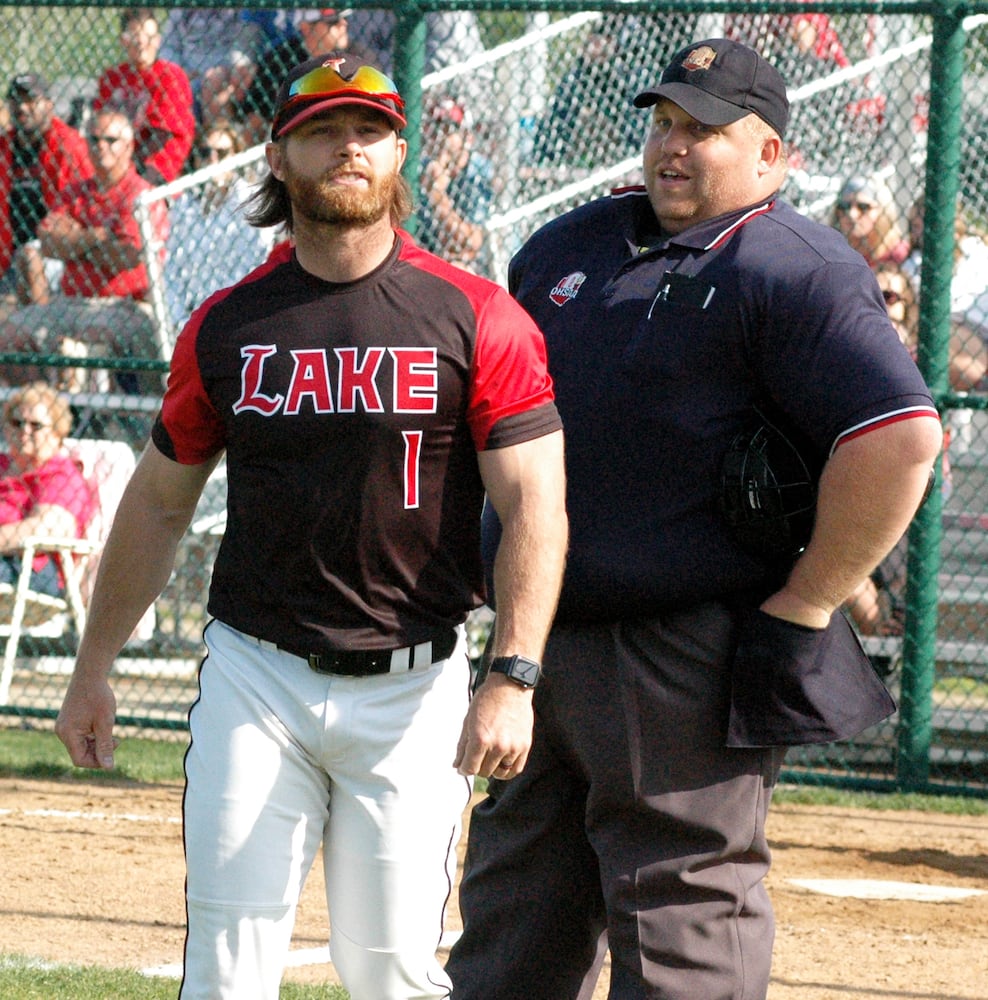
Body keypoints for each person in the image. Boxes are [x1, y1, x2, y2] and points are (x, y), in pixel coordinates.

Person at [54, 55, 567, 1000]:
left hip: (416, 683)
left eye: (369, 131)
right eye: (325, 131)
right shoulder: (227, 324)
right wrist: (94, 667)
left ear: (400, 152)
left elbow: (536, 503)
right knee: (225, 967)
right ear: (280, 156)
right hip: (259, 673)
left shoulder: (477, 314)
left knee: (391, 972)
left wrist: (515, 673)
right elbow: (161, 502)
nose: (350, 149)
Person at [446, 37, 943, 1000]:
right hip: (539, 638)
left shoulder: (797, 265)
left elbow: (900, 437)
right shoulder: (567, 245)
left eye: (706, 129)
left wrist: (807, 603)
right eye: (664, 122)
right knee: (513, 915)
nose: (674, 145)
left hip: (681, 650)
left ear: (771, 157)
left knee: (682, 923)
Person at [0, 107, 169, 388]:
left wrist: (75, 240)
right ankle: (48, 408)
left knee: (86, 336)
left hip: (124, 305)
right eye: (94, 139)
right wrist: (99, 237)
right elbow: (49, 243)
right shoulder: (77, 191)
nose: (100, 146)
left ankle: (93, 417)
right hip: (68, 303)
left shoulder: (140, 194)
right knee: (7, 337)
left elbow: (126, 257)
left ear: (129, 146)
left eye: (110, 140)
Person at [164, 118, 273, 329]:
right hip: (188, 316)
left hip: (238, 316)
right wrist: (180, 322)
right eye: (205, 153)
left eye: (221, 153)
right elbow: (171, 273)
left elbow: (250, 268)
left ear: (236, 157)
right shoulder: (183, 205)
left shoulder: (251, 203)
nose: (211, 161)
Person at [1, 72, 94, 310]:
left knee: (30, 259)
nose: (22, 106)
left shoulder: (68, 144)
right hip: (8, 252)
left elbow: (77, 210)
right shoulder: (5, 148)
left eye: (31, 99)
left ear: (49, 104)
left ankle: (41, 325)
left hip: (54, 250)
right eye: (16, 100)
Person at [0, 382, 96, 597]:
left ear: (56, 434)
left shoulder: (61, 476)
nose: (24, 431)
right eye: (17, 423)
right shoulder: (2, 465)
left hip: (30, 567)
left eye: (36, 425)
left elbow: (47, 530)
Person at [234, 9, 379, 145]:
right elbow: (256, 116)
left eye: (343, 18)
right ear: (306, 27)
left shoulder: (361, 60)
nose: (343, 24)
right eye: (332, 22)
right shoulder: (281, 57)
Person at [93, 7, 196, 184]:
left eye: (148, 37)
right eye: (134, 36)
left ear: (157, 41)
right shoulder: (112, 77)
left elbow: (161, 136)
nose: (141, 43)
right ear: (123, 41)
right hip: (117, 157)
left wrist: (126, 168)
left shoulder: (169, 75)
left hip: (155, 164)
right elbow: (99, 124)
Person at [417, 96, 495, 274]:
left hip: (474, 266)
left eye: (448, 130)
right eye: (435, 129)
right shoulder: (422, 167)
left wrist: (436, 195)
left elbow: (471, 243)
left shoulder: (477, 171)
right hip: (429, 259)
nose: (440, 137)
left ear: (466, 136)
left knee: (458, 267)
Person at [159, 9, 263, 127]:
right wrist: (179, 72)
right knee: (172, 87)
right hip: (189, 73)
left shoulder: (236, 10)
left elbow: (245, 42)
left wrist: (230, 66)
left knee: (214, 79)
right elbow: (168, 47)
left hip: (224, 70)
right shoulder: (181, 10)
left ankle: (217, 133)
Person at [831, 173, 910, 267]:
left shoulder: (897, 253)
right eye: (844, 207)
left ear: (882, 210)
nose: (851, 214)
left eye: (863, 207)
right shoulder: (834, 252)